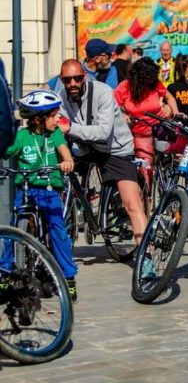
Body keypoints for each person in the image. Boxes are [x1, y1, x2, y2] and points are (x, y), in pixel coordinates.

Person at [56, 59, 149, 270]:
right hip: (83, 148)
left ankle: (147, 257)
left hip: (114, 149)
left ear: (84, 77)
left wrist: (69, 128)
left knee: (132, 203)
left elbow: (103, 132)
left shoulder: (103, 92)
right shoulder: (60, 96)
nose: (72, 83)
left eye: (77, 78)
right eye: (67, 80)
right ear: (61, 80)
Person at [2, 90, 77, 302]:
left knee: (58, 231)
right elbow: (7, 150)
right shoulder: (22, 136)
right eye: (54, 115)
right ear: (38, 119)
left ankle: (69, 277)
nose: (58, 119)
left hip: (50, 191)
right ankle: (5, 272)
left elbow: (63, 150)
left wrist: (67, 161)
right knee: (12, 229)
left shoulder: (54, 134)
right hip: (27, 189)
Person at [114, 57, 180, 192]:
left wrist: (176, 112)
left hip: (160, 128)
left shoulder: (155, 83)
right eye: (148, 78)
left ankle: (169, 188)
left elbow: (169, 97)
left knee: (176, 157)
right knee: (145, 167)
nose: (151, 81)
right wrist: (123, 115)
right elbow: (113, 106)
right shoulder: (125, 87)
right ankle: (147, 197)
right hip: (140, 132)